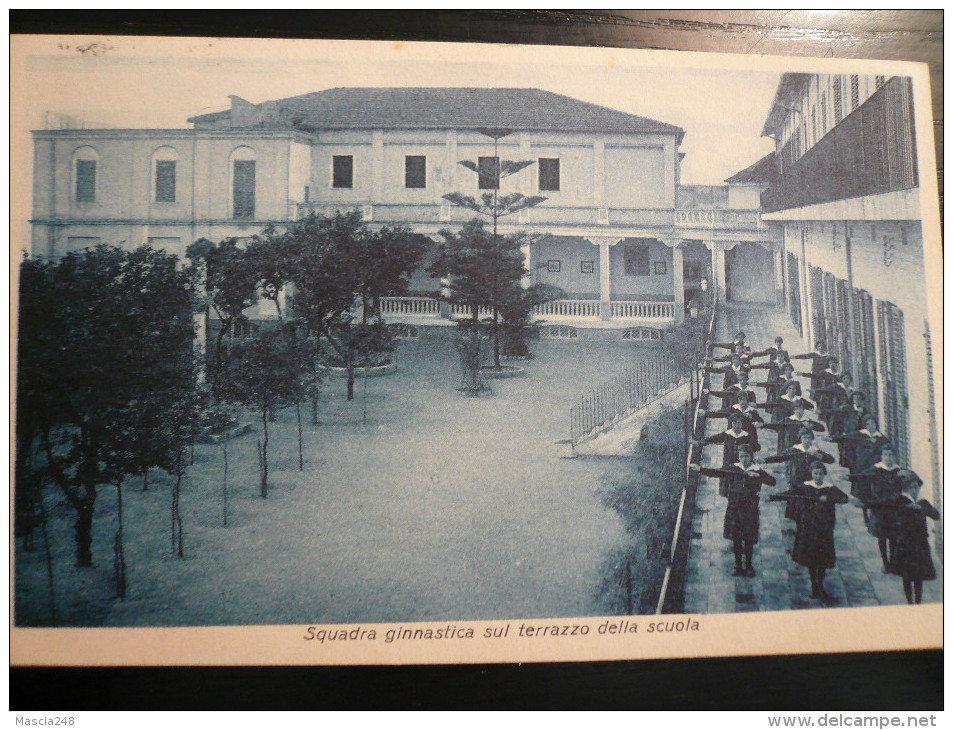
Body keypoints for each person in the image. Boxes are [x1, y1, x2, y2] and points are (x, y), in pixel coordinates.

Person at [690, 445, 776, 577]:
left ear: (751, 457)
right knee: (736, 537)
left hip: (750, 510)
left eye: (746, 456)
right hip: (735, 508)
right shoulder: (734, 468)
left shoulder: (757, 470)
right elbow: (718, 472)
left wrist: (758, 476)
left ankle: (748, 566)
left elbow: (772, 481)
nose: (744, 459)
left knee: (748, 539)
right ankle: (737, 565)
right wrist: (700, 469)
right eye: (741, 456)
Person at [770, 460, 848, 603]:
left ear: (824, 474)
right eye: (815, 473)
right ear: (811, 474)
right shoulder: (806, 487)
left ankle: (821, 585)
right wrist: (772, 497)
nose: (818, 476)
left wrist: (828, 498)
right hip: (809, 528)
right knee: (812, 558)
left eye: (820, 474)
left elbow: (844, 498)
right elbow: (790, 494)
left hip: (824, 529)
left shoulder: (829, 488)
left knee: (822, 560)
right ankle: (814, 586)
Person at [887, 470, 940, 605]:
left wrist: (922, 508)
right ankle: (909, 601)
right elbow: (887, 507)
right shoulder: (900, 500)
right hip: (906, 543)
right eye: (912, 487)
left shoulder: (922, 502)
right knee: (906, 575)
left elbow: (936, 515)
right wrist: (907, 507)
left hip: (920, 544)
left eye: (917, 487)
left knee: (918, 576)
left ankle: (918, 601)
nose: (915, 490)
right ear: (907, 489)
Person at [849, 445, 903, 571]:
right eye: (885, 455)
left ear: (894, 457)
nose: (888, 458)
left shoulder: (898, 471)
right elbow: (862, 476)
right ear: (881, 456)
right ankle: (885, 562)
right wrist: (850, 477)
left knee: (894, 537)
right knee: (882, 537)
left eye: (890, 455)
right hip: (879, 509)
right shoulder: (876, 469)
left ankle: (894, 562)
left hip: (894, 509)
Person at [764, 427, 836, 521]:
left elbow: (831, 460)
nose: (807, 440)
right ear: (800, 439)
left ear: (812, 439)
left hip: (809, 480)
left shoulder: (814, 451)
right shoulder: (794, 450)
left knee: (807, 504)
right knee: (795, 499)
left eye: (809, 438)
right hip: (796, 479)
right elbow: (780, 457)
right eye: (804, 438)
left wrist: (818, 455)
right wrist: (765, 460)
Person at [693, 412, 761, 498]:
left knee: (742, 486)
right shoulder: (727, 434)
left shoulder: (747, 436)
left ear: (742, 424)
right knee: (727, 481)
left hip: (742, 464)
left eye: (739, 423)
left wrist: (750, 447)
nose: (737, 425)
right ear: (731, 423)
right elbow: (713, 439)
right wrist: (699, 443)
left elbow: (757, 447)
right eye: (734, 423)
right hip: (728, 462)